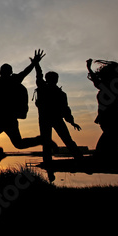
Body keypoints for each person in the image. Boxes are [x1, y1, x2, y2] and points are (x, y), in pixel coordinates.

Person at [33, 50, 83, 181]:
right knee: (62, 140)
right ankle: (76, 161)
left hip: (50, 119)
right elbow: (39, 75)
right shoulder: (52, 91)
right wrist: (37, 64)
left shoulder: (55, 92)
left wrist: (72, 122)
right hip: (50, 119)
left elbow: (66, 109)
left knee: (58, 141)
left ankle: (76, 161)